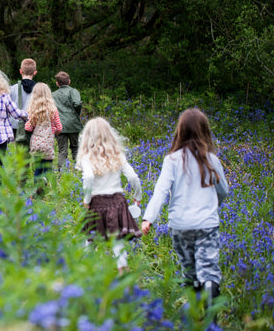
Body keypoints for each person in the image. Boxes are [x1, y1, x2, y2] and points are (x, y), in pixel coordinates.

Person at [142, 108, 228, 309]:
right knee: (209, 271)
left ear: (180, 131)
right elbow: (223, 190)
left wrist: (149, 218)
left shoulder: (171, 159)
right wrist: (212, 207)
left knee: (190, 272)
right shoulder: (212, 159)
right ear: (205, 131)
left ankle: (195, 307)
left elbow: (160, 191)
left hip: (180, 225)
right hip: (207, 224)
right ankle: (210, 312)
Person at [75, 117, 142, 274]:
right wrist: (137, 196)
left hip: (97, 202)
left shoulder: (87, 157)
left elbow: (89, 178)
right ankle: (122, 270)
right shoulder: (117, 155)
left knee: (91, 237)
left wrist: (86, 200)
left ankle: (85, 270)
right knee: (117, 239)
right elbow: (133, 177)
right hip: (118, 201)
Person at [24, 83, 62, 194]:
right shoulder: (53, 110)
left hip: (36, 143)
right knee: (48, 168)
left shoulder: (33, 110)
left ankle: (37, 191)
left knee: (38, 168)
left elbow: (28, 127)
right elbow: (59, 127)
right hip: (48, 143)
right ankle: (45, 184)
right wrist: (53, 131)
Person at [52, 71, 83, 170]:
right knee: (75, 148)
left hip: (59, 125)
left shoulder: (53, 95)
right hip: (73, 124)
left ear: (57, 83)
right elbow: (77, 103)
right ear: (69, 81)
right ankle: (78, 170)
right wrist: (76, 113)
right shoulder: (73, 91)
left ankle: (62, 172)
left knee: (62, 150)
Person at [9, 58, 37, 147]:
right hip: (33, 124)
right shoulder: (39, 89)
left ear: (20, 71)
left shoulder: (12, 88)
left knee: (18, 154)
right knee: (29, 153)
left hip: (15, 125)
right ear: (35, 72)